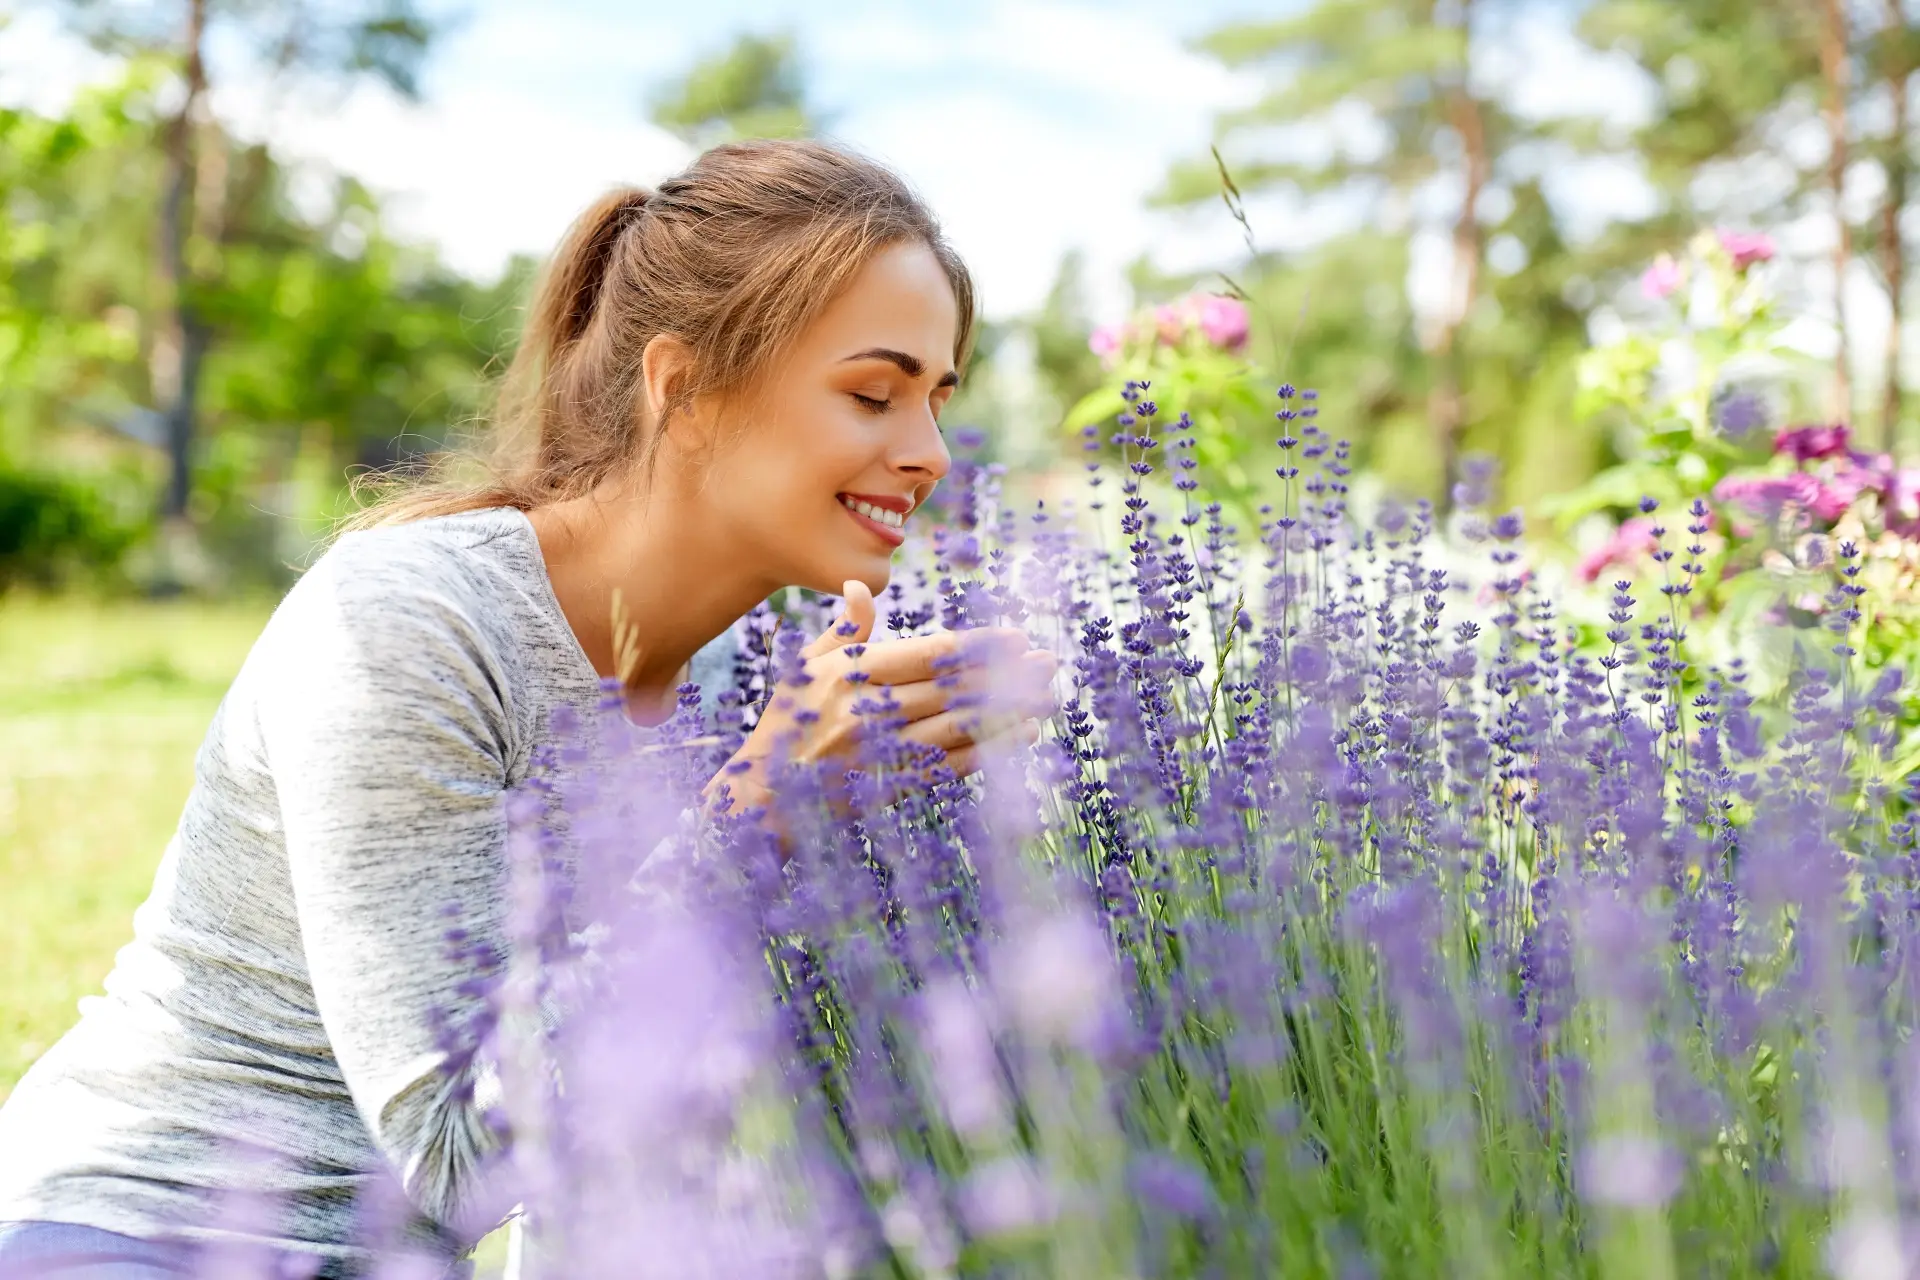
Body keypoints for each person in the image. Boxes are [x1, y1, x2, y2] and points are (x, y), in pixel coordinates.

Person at [0, 138, 1057, 1279]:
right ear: (685, 388)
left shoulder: (752, 674)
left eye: (939, 399)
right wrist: (762, 809)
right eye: (873, 392)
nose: (930, 453)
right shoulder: (408, 623)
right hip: (138, 1230)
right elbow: (457, 1158)